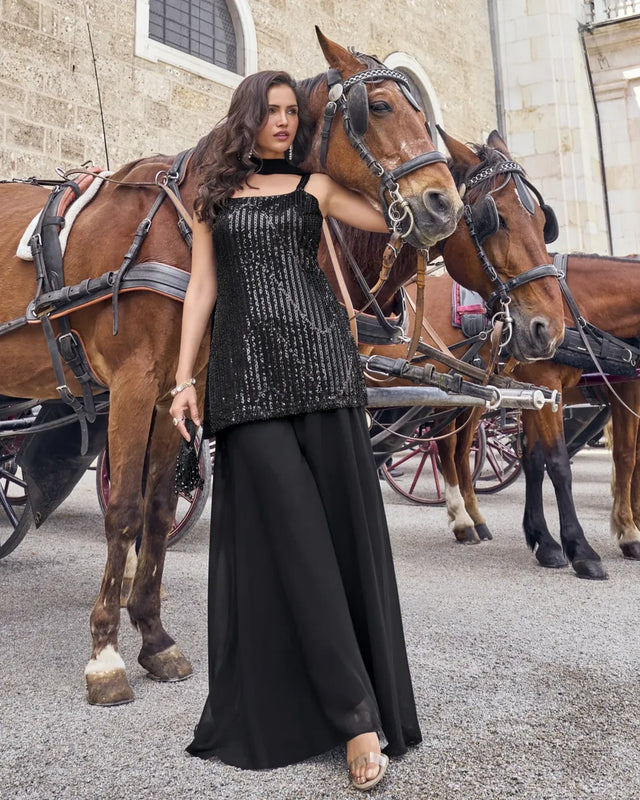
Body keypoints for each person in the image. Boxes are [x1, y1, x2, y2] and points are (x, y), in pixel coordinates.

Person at [169, 69, 421, 791]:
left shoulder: (317, 187)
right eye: (271, 111)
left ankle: (359, 715)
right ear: (247, 117)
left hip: (323, 370)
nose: (283, 121)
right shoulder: (212, 197)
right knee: (296, 542)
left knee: (339, 538)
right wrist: (184, 379)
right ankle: (351, 716)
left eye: (290, 112)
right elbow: (202, 287)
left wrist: (404, 159)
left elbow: (396, 217)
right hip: (247, 382)